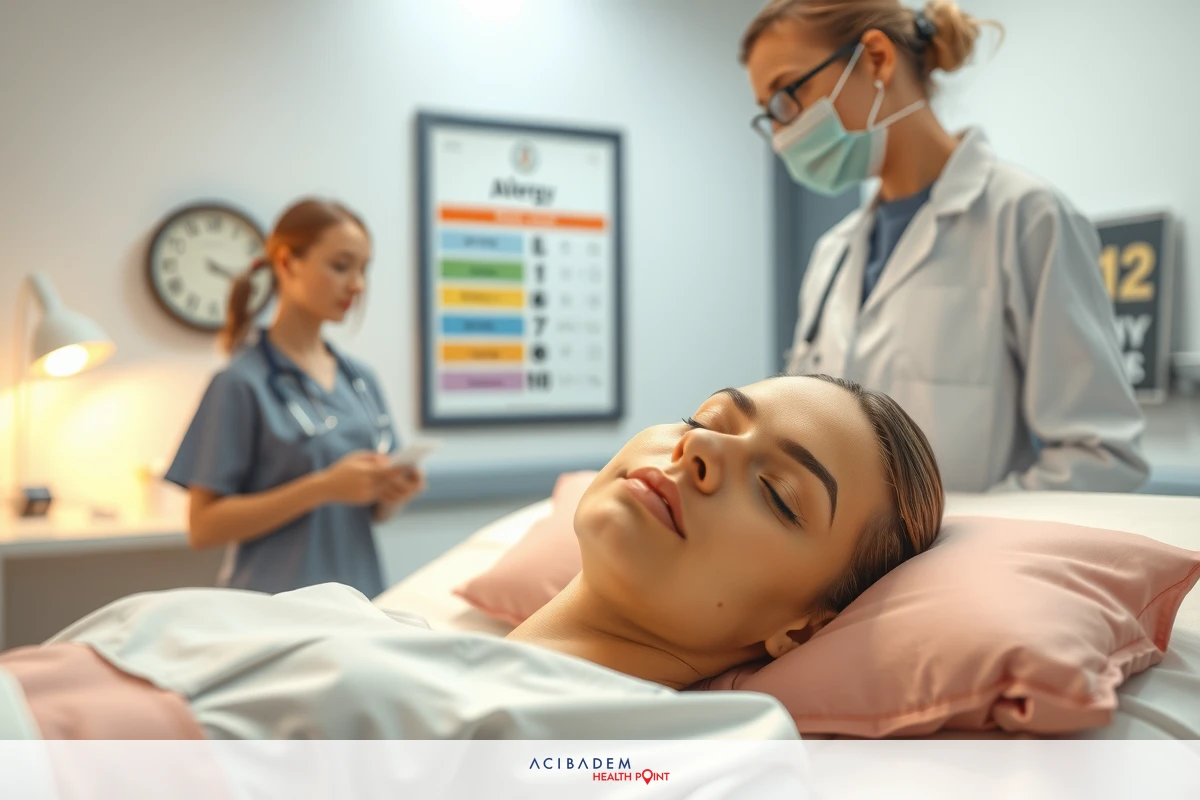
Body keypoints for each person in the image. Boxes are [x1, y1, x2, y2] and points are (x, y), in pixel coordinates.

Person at [0, 375, 943, 740]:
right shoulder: (337, 611)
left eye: (779, 492)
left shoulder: (677, 754)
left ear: (804, 626)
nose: (697, 452)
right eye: (706, 420)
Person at [741, 0, 1149, 493]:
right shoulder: (834, 254)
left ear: (875, 59)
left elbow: (1099, 456)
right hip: (852, 570)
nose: (783, 133)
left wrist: (958, 543)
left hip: (974, 565)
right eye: (770, 116)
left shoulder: (1026, 218)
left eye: (788, 95)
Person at [165, 199, 425, 598]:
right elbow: (203, 527)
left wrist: (391, 493)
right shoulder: (240, 382)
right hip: (275, 609)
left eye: (363, 269)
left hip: (358, 602)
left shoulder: (360, 380)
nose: (356, 284)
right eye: (341, 266)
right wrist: (322, 487)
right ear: (287, 264)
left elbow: (369, 511)